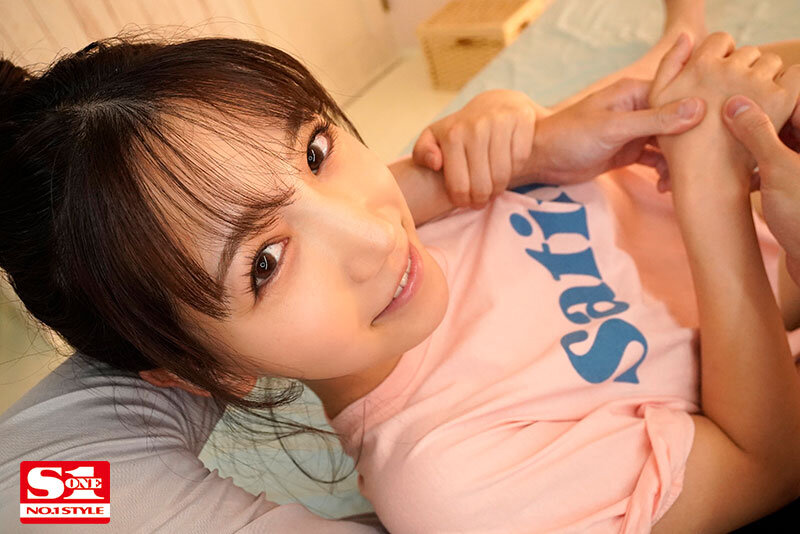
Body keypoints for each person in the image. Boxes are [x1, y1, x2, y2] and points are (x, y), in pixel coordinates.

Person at [0, 6, 709, 533]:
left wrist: (519, 145)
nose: (376, 236)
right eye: (265, 265)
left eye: (315, 150)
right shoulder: (456, 483)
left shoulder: (443, 198)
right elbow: (34, 490)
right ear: (191, 371)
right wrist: (715, 192)